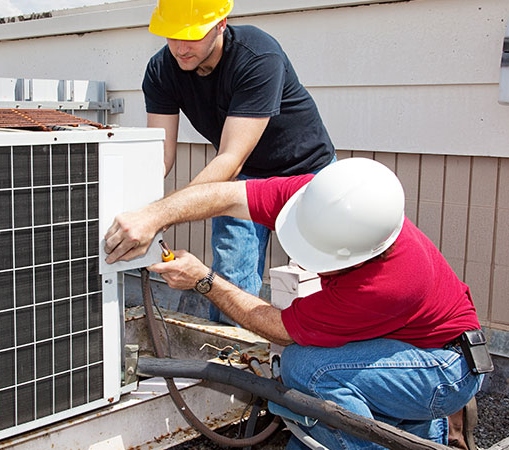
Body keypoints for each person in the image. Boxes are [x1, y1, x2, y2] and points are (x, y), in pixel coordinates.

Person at [104, 158, 488, 449]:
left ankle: (416, 421)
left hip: (445, 368)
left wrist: (204, 280)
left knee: (308, 369)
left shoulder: (385, 284)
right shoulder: (324, 198)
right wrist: (153, 215)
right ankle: (416, 427)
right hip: (410, 344)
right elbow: (226, 194)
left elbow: (280, 329)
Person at [143, 0, 335, 323]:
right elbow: (160, 156)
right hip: (244, 178)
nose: (179, 47)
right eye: (171, 35)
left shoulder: (258, 56)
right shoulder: (162, 70)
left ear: (221, 24)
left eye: (190, 35)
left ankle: (311, 364)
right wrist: (138, 208)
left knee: (320, 284)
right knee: (230, 282)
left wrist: (160, 214)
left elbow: (230, 158)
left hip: (306, 173)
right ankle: (232, 365)